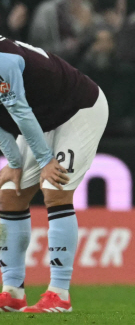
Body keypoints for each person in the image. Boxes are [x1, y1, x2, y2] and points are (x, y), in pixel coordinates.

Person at [0, 37, 109, 313]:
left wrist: (46, 159)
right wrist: (13, 161)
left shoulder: (4, 60)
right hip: (42, 119)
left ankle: (59, 293)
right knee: (9, 195)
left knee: (54, 187)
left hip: (79, 110)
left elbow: (20, 111)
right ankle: (12, 291)